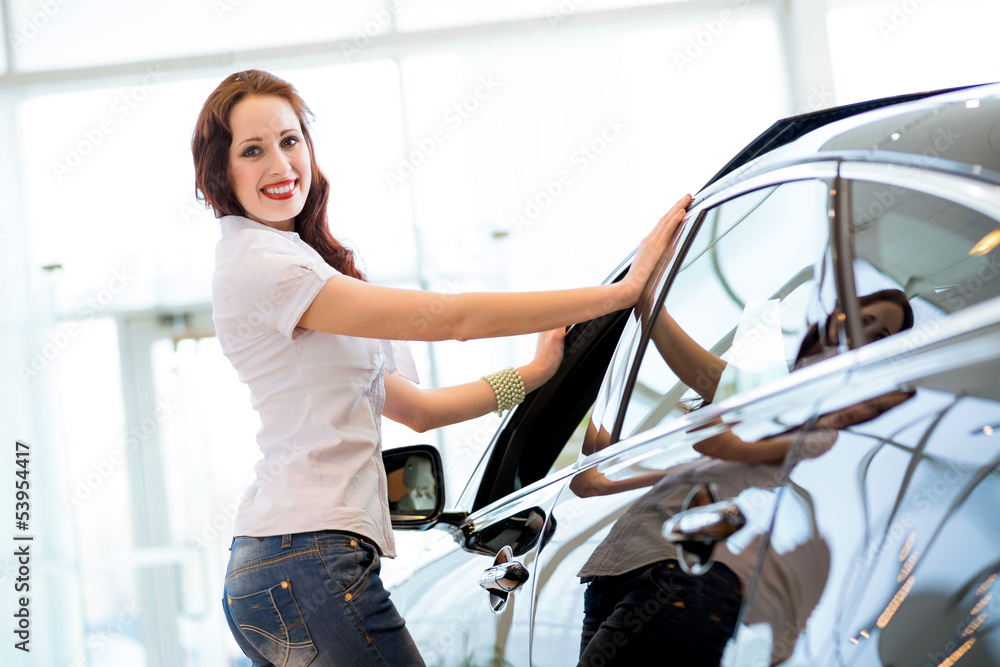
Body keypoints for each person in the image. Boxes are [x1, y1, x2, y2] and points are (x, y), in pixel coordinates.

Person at [191, 69, 691, 667]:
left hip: (285, 565)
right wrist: (622, 293)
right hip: (304, 558)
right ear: (223, 173)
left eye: (290, 140)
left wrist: (533, 375)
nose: (280, 163)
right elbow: (447, 318)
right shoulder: (265, 266)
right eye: (253, 150)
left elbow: (416, 411)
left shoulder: (302, 265)